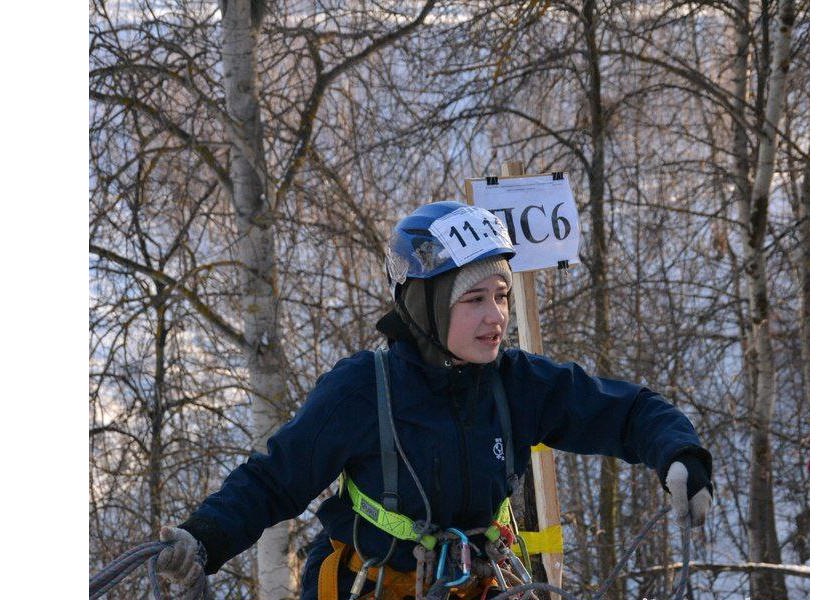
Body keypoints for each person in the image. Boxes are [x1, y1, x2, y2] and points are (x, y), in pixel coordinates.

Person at [157, 201, 713, 600]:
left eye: (501, 296)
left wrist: (678, 454)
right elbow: (275, 480)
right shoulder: (361, 390)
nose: (495, 317)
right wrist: (204, 538)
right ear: (425, 305)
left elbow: (627, 411)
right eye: (473, 299)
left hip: (477, 583)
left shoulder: (515, 382)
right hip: (371, 587)